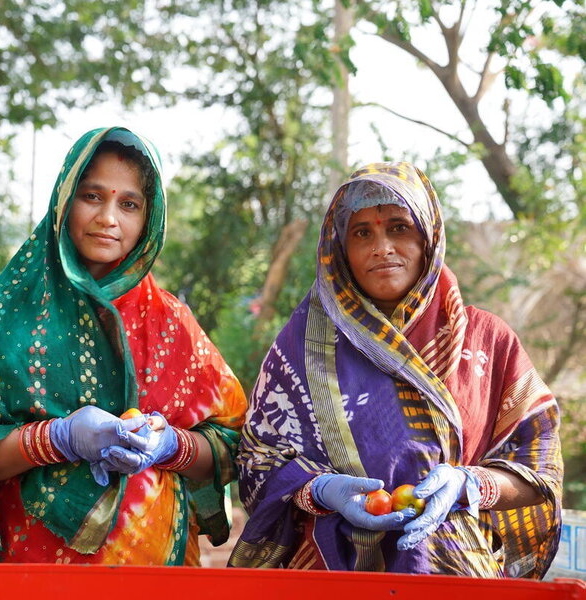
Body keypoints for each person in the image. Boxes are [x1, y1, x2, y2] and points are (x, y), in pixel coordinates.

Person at [0, 126, 247, 564]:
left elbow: (232, 442)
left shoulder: (173, 323)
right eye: (92, 196)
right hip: (28, 573)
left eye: (128, 204)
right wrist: (56, 438)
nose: (108, 218)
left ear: (150, 218)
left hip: (156, 574)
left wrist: (172, 446)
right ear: (64, 199)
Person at [229, 162, 562, 577]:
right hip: (328, 573)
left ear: (428, 238)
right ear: (340, 249)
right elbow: (256, 461)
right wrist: (322, 490)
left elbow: (539, 468)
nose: (381, 247)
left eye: (399, 228)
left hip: (454, 571)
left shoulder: (487, 341)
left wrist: (470, 485)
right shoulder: (302, 346)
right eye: (362, 232)